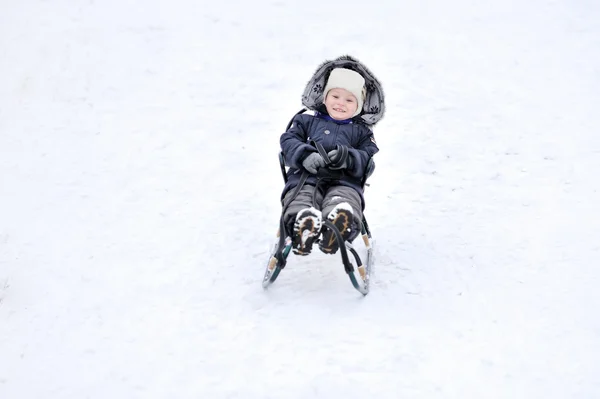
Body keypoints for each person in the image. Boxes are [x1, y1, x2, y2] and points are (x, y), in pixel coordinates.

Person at [279, 55, 385, 256]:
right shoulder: (305, 121)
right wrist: (304, 155)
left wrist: (349, 158)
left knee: (343, 200)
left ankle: (338, 227)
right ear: (325, 97)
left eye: (349, 99)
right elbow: (288, 141)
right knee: (301, 198)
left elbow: (367, 159)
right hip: (306, 178)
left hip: (344, 182)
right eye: (335, 96)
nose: (340, 103)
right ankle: (302, 224)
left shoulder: (362, 133)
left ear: (359, 105)